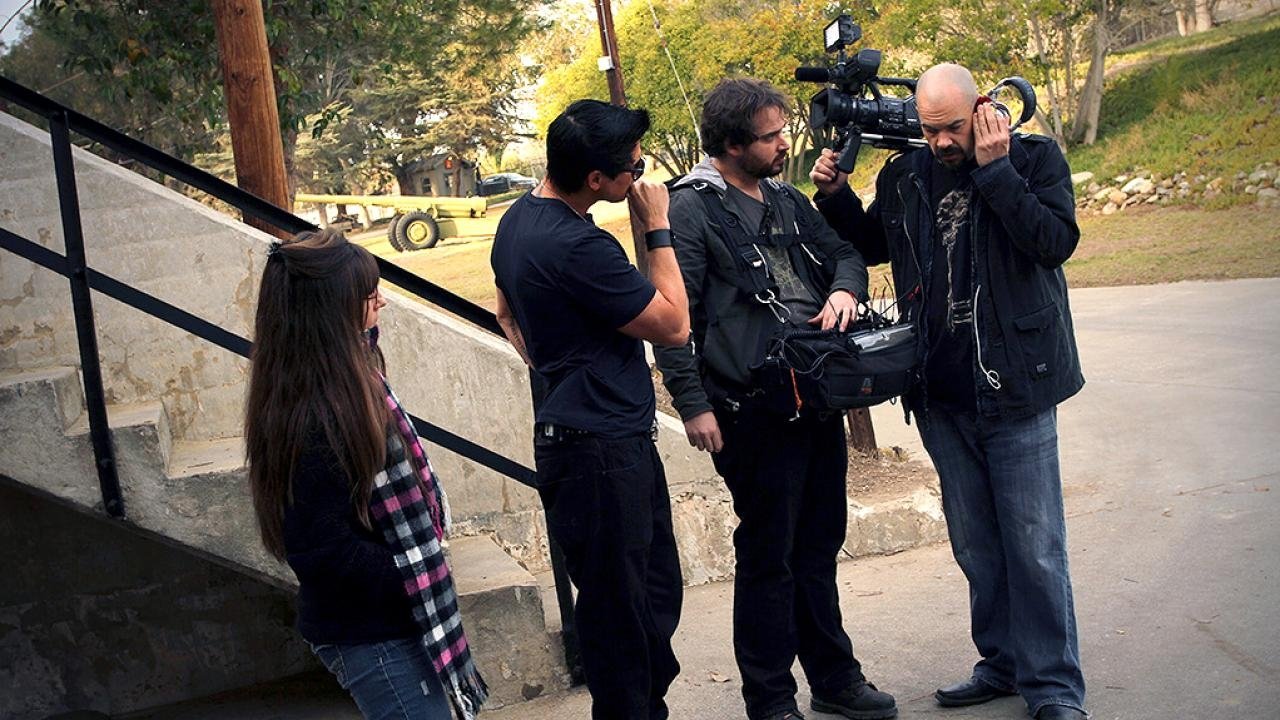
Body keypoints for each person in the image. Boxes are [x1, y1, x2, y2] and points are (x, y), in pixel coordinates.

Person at [810, 63, 1087, 720]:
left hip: (1016, 388)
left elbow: (1053, 242)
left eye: (951, 128)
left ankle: (1053, 688)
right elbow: (876, 244)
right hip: (940, 394)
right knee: (978, 546)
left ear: (984, 109)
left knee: (1036, 548)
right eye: (928, 130)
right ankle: (1002, 662)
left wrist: (995, 171)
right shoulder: (907, 174)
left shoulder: (1035, 158)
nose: (938, 142)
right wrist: (837, 197)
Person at [653, 77, 897, 720]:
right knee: (769, 554)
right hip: (750, 408)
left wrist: (844, 290)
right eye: (771, 136)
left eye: (784, 131)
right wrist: (693, 404)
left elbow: (844, 251)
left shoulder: (785, 197)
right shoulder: (692, 209)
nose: (785, 144)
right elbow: (677, 319)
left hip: (812, 396)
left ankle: (835, 681)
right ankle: (770, 699)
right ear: (732, 144)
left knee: (817, 544)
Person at [489, 99, 689, 720]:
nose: (640, 177)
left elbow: (504, 311)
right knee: (625, 619)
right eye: (632, 168)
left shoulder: (518, 220)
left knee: (641, 598)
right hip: (600, 449)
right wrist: (656, 226)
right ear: (597, 181)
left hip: (588, 435)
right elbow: (674, 324)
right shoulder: (579, 245)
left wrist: (558, 370)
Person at [245, 229, 487, 720]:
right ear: (330, 311)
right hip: (369, 633)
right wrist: (414, 572)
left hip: (389, 619)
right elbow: (321, 551)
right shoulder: (314, 414)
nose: (382, 302)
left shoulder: (349, 373)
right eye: (367, 294)